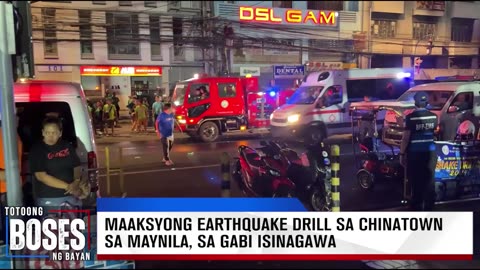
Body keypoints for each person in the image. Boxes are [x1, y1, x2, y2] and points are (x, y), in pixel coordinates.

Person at [29, 116, 86, 210]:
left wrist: (76, 181)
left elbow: (76, 166)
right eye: (47, 133)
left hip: (72, 197)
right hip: (49, 198)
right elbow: (41, 176)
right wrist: (69, 187)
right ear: (43, 132)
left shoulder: (67, 146)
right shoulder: (37, 149)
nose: (50, 136)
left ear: (60, 133)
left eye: (54, 133)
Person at [400, 91, 438, 211]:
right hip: (430, 153)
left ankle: (416, 205)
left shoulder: (410, 118)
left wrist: (401, 153)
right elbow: (434, 133)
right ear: (427, 102)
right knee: (429, 179)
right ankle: (429, 205)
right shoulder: (434, 116)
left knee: (416, 180)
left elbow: (406, 138)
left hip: (415, 153)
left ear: (415, 102)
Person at [0, 108, 24, 242]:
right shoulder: (5, 135)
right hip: (5, 192)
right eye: (14, 116)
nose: (18, 119)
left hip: (10, 191)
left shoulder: (13, 136)